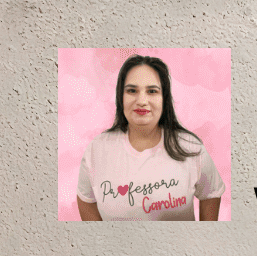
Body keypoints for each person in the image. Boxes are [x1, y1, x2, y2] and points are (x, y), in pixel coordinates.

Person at [77, 54, 224, 221]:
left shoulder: (191, 147)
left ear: (164, 98)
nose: (142, 101)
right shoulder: (97, 149)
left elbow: (211, 193)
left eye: (152, 91)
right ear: (120, 96)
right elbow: (85, 200)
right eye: (132, 91)